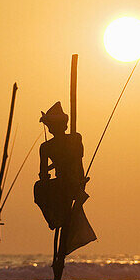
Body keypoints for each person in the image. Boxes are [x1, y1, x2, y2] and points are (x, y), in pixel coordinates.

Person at [34, 102, 96, 254]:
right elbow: (44, 174)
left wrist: (80, 183)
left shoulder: (70, 140)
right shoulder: (52, 145)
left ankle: (55, 219)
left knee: (40, 188)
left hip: (71, 183)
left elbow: (76, 161)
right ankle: (56, 218)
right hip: (66, 183)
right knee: (39, 188)